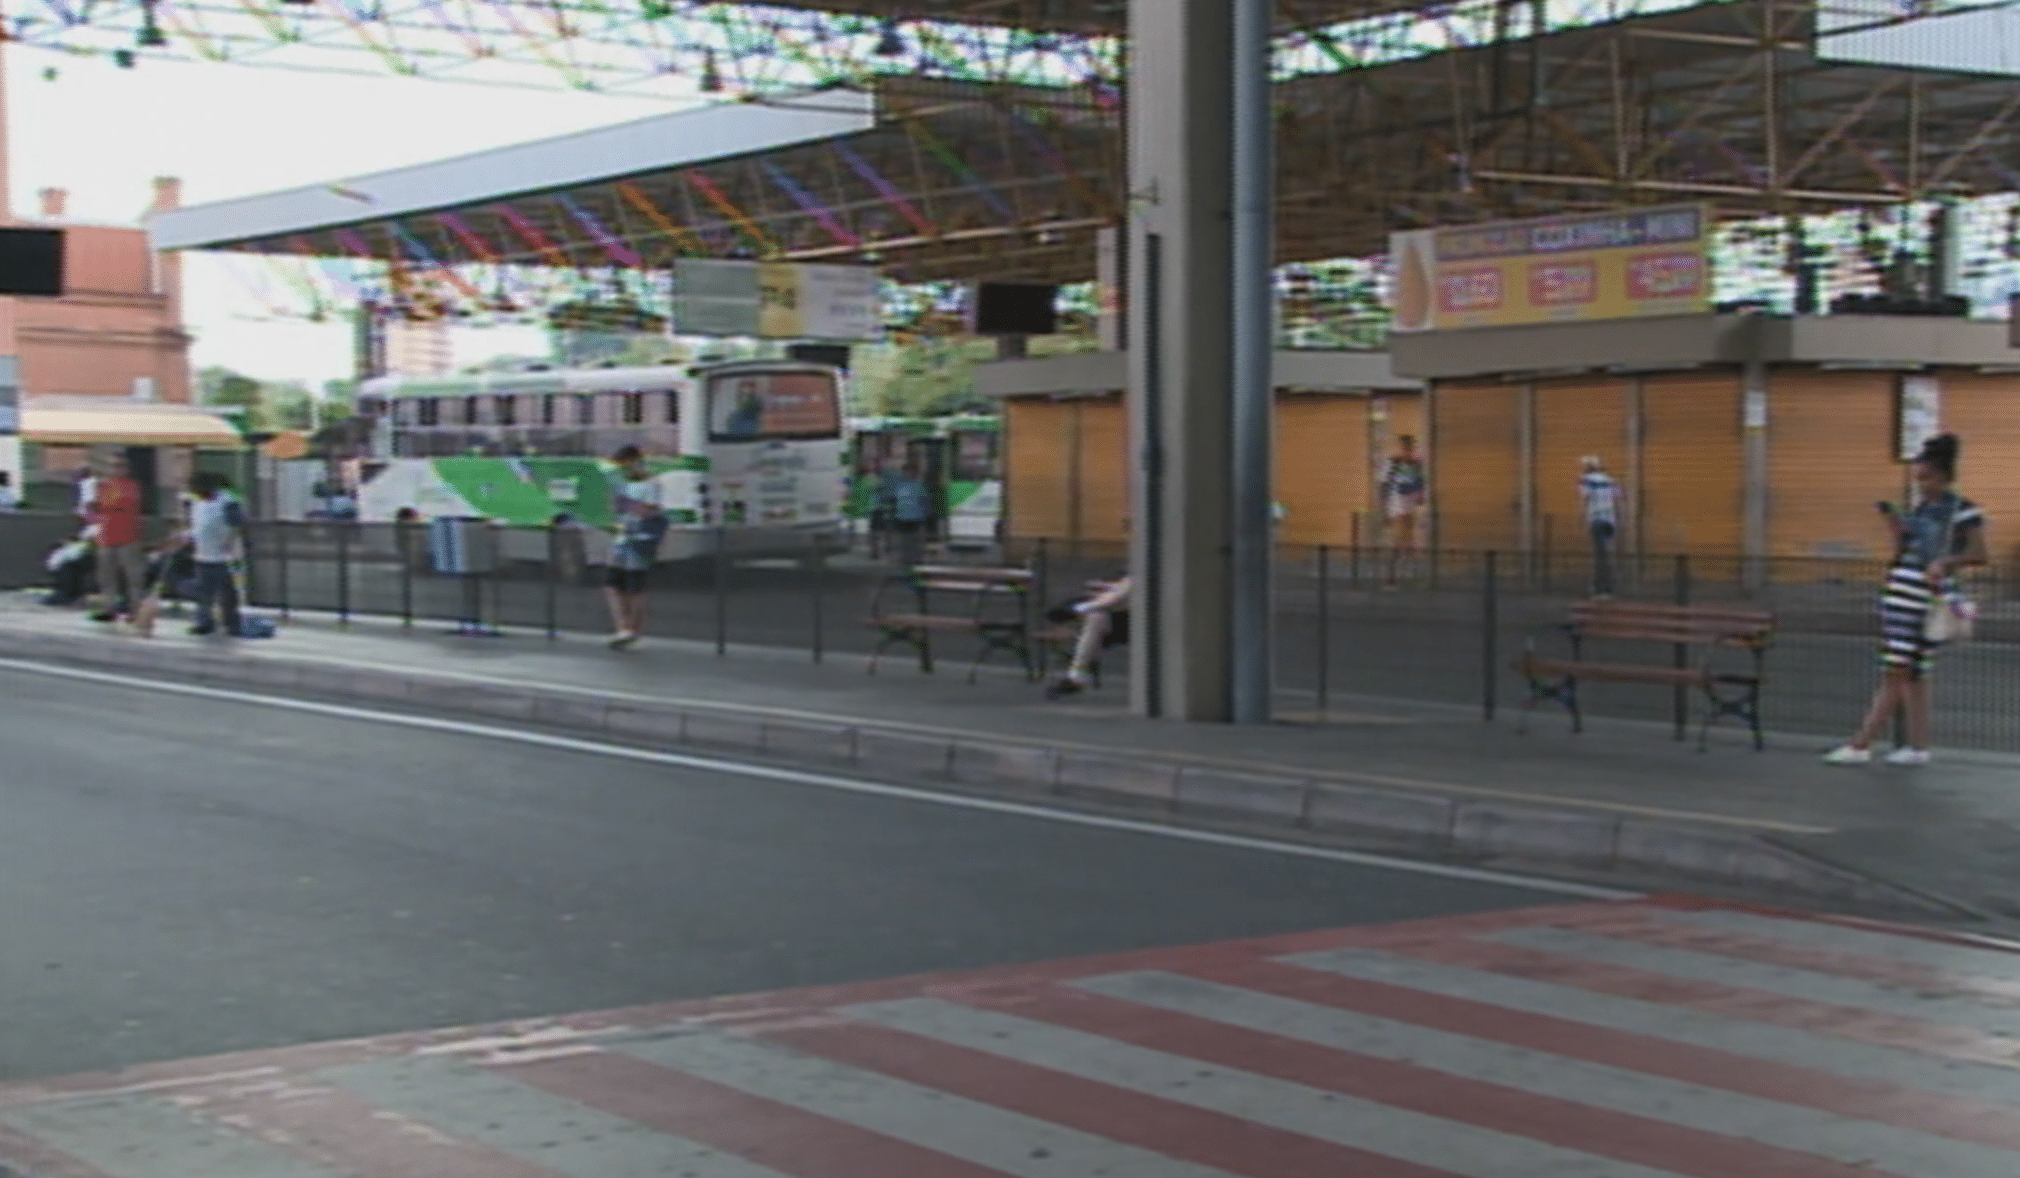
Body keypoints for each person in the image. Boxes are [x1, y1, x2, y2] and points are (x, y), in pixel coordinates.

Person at [1825, 434, 1986, 766]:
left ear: (1943, 475)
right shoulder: (1924, 507)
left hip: (1920, 590)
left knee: (1896, 668)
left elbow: (1979, 552)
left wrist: (1944, 563)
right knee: (1914, 671)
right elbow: (1906, 545)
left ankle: (1861, 744)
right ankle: (1918, 745)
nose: (1922, 485)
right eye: (1919, 478)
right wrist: (1894, 523)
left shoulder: (1964, 510)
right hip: (1906, 588)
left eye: (1926, 477)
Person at [604, 445, 667, 650]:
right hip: (622, 537)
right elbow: (615, 508)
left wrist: (628, 505)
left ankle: (633, 628)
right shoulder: (621, 483)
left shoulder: (651, 483)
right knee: (614, 583)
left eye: (625, 464)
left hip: (641, 538)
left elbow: (652, 509)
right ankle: (622, 627)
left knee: (635, 585)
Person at [1044, 576, 1132, 700]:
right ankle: (1078, 670)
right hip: (1114, 616)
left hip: (1130, 621)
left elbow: (1121, 594)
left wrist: (1088, 605)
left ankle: (1078, 671)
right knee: (1094, 618)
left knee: (1094, 617)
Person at [186, 471, 248, 637]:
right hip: (203, 553)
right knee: (204, 592)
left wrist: (230, 544)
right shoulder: (198, 502)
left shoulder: (227, 501)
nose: (196, 493)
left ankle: (231, 623)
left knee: (227, 592)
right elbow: (196, 527)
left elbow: (237, 526)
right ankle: (205, 621)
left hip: (224, 556)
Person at [87, 456, 145, 624]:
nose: (116, 470)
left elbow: (118, 503)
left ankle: (136, 610)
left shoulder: (131, 486)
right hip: (106, 536)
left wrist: (99, 503)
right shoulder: (103, 486)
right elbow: (94, 506)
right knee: (106, 576)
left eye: (120, 466)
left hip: (128, 537)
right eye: (112, 466)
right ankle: (108, 608)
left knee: (133, 576)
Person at [1379, 435, 1427, 587]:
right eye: (1405, 448)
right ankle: (1390, 576)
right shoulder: (1393, 463)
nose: (1407, 451)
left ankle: (1407, 574)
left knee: (1408, 541)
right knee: (1397, 541)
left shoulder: (1416, 464)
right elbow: (1383, 487)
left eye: (1410, 448)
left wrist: (1420, 495)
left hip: (1409, 507)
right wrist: (1385, 512)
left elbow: (1420, 484)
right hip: (1395, 506)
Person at [1580, 455, 1624, 598]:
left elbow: (1585, 499)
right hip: (1610, 520)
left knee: (1599, 555)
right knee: (1608, 554)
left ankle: (1601, 588)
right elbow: (1619, 498)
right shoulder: (1610, 480)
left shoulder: (1586, 480)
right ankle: (1609, 586)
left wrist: (1584, 518)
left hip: (1596, 520)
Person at [884, 462, 932, 569]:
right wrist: (891, 516)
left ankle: (914, 562)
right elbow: (893, 502)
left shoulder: (919, 486)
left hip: (916, 518)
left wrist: (926, 516)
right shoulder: (899, 486)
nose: (910, 474)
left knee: (915, 542)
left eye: (912, 472)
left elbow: (925, 502)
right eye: (908, 472)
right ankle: (908, 563)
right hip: (902, 518)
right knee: (905, 542)